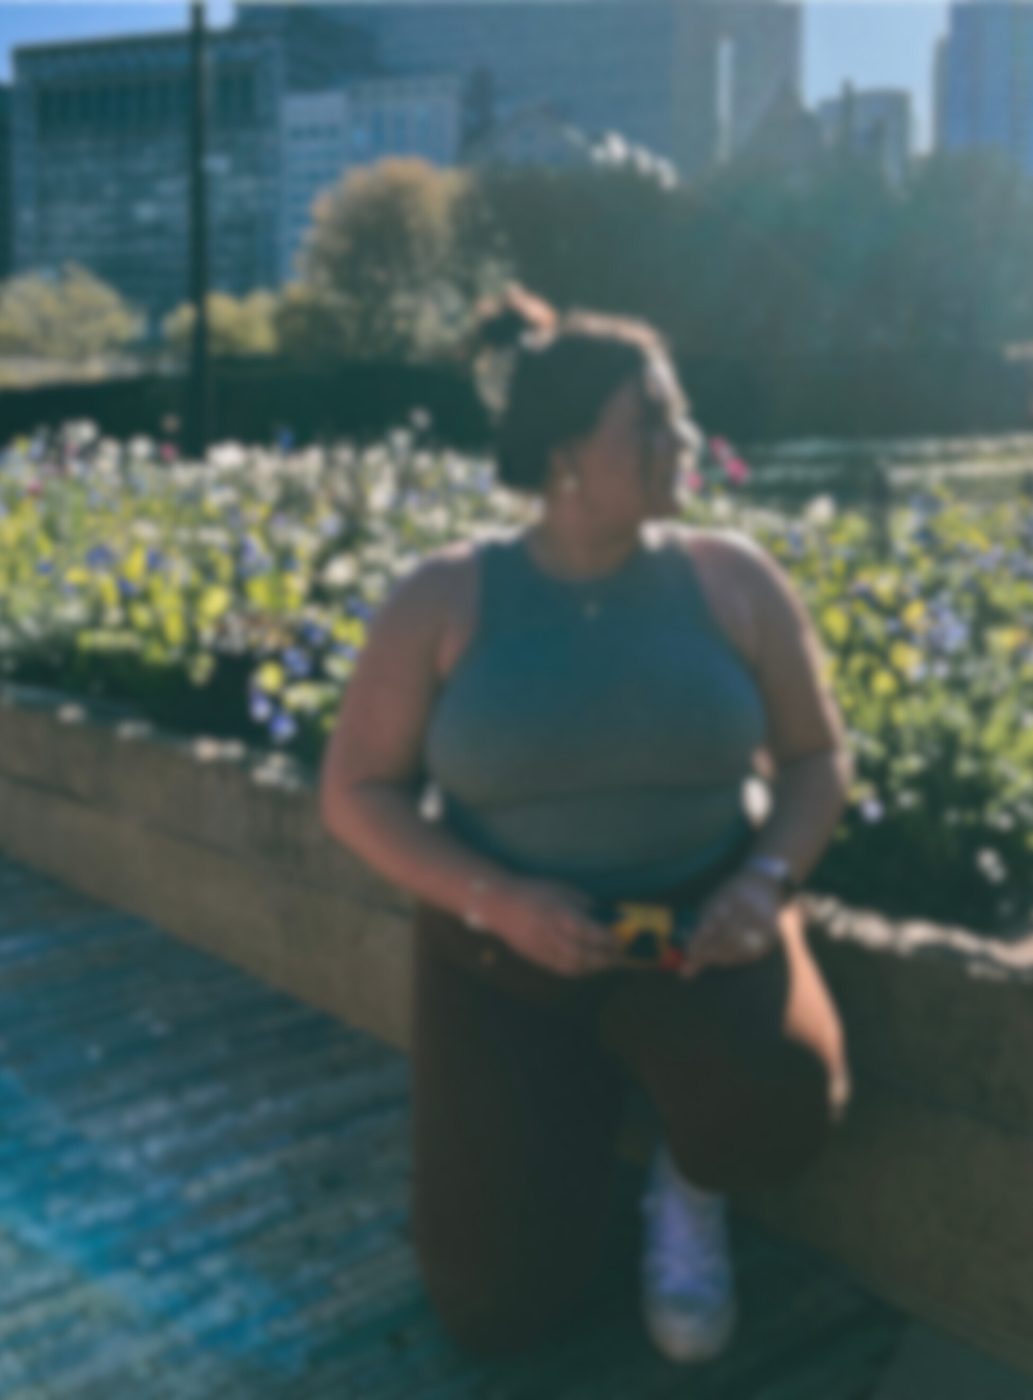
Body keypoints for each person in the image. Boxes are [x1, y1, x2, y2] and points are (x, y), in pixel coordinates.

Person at [320, 286, 854, 1366]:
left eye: (677, 414)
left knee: (781, 1105)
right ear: (565, 455)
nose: (683, 438)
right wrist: (497, 899)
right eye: (650, 421)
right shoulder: (444, 596)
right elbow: (355, 790)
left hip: (700, 938)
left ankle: (687, 1182)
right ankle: (572, 1109)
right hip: (501, 951)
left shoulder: (732, 578)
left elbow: (815, 758)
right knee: (493, 1307)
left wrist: (763, 883)